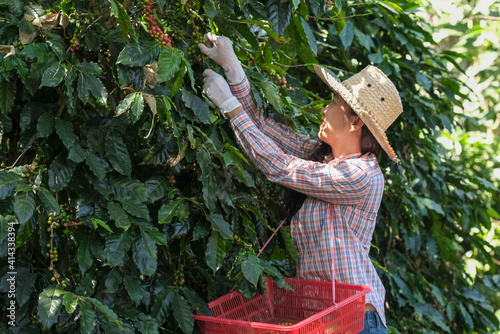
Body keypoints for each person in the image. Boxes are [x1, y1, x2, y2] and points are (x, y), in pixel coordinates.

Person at [198, 32, 403, 334]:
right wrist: (233, 69)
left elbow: (280, 167)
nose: (324, 109)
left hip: (358, 322)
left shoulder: (362, 176)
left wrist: (229, 105)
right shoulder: (323, 160)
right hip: (324, 322)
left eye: (332, 103)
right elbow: (262, 127)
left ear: (355, 122)